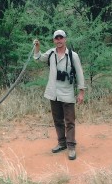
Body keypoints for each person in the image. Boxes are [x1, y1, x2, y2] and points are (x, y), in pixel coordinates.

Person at [33, 30, 85, 160]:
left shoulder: (73, 56)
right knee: (57, 120)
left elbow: (80, 74)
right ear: (54, 40)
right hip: (53, 92)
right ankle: (62, 143)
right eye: (56, 38)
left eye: (61, 38)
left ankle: (71, 146)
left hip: (67, 93)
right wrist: (37, 47)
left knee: (70, 121)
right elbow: (38, 58)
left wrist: (81, 92)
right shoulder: (50, 53)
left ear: (65, 39)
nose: (59, 40)